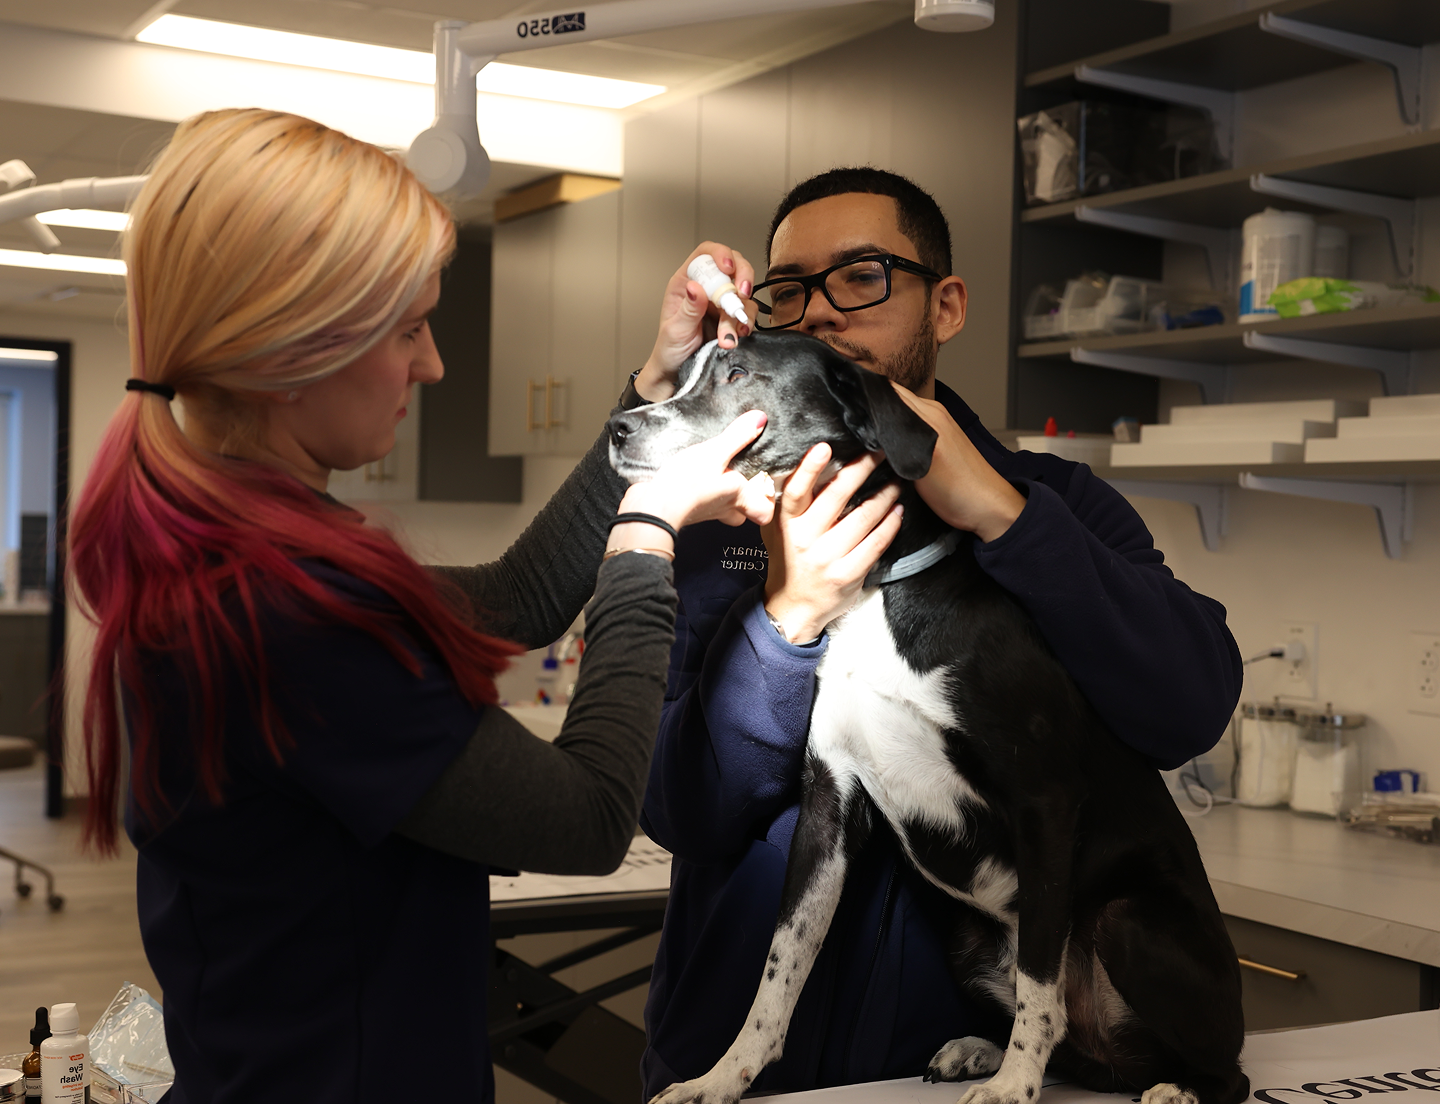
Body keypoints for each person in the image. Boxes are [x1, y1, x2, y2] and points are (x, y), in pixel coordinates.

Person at [67, 108, 780, 1104]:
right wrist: (648, 534)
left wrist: (657, 382)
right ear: (292, 353)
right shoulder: (286, 610)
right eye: (407, 329)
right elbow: (588, 818)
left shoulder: (246, 552)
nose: (433, 363)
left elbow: (520, 597)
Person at [626, 167, 1244, 1098]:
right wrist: (786, 619)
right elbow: (681, 811)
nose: (820, 313)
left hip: (937, 1074)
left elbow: (1189, 706)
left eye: (862, 276)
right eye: (788, 290)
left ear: (945, 306)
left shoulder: (1056, 502)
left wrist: (1003, 516)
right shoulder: (723, 521)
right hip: (724, 1061)